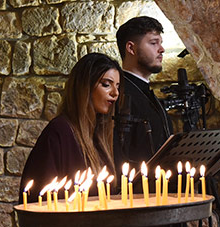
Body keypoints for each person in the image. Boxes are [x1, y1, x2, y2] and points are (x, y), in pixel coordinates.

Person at [19, 53, 123, 203]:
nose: (115, 93)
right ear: (85, 87)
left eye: (118, 86)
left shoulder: (99, 136)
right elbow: (37, 198)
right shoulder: (59, 131)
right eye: (106, 84)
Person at [114, 16, 173, 172]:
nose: (161, 50)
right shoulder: (118, 94)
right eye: (153, 43)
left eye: (161, 43)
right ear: (131, 48)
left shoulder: (148, 94)